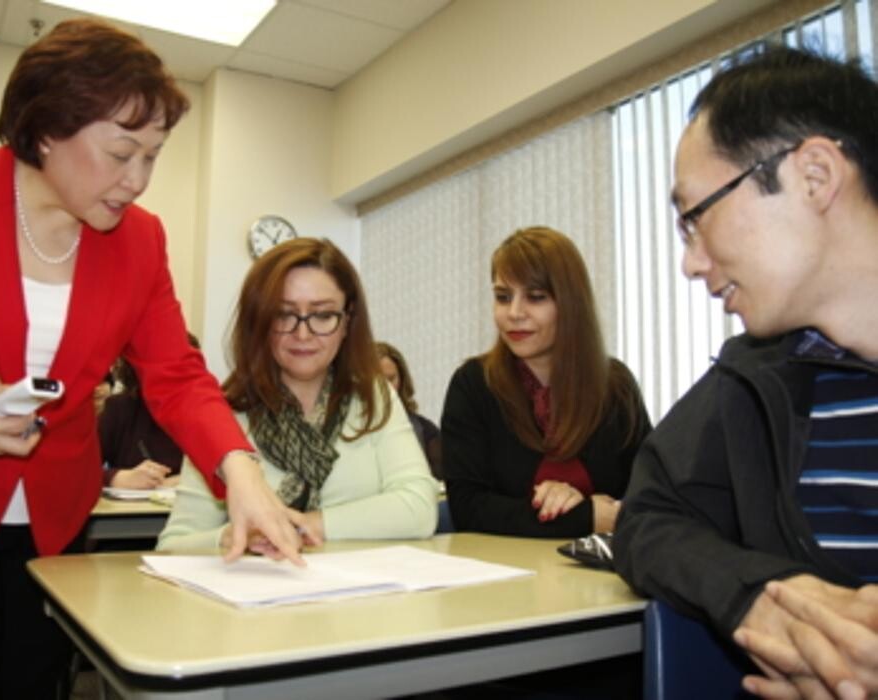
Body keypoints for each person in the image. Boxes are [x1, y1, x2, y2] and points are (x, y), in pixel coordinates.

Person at [0, 19, 301, 698]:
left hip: (52, 521)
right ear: (47, 129)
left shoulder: (139, 241)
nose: (137, 180)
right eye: (121, 153)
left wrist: (241, 470)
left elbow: (175, 373)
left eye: (153, 156)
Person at [612, 46, 878, 700]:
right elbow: (646, 519)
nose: (689, 264)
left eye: (695, 217)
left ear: (813, 175)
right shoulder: (755, 376)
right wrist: (761, 596)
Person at [157, 238, 438, 551]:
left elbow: (419, 509)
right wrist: (229, 536)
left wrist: (308, 524)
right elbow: (172, 546)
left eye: (323, 315)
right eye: (283, 314)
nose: (303, 334)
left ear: (347, 321)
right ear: (259, 322)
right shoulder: (221, 415)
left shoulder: (373, 395)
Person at [441, 227, 651, 538]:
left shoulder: (615, 386)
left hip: (601, 566)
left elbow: (649, 495)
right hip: (503, 564)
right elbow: (467, 508)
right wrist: (583, 517)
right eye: (503, 297)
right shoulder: (473, 384)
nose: (514, 313)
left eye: (536, 297)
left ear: (571, 303)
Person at [99, 357, 183, 490]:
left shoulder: (203, 412)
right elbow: (76, 471)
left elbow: (217, 471)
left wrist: (186, 481)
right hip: (130, 502)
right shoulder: (118, 408)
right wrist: (115, 478)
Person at [375, 341, 443, 480]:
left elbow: (442, 484)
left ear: (402, 380)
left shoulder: (426, 430)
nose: (386, 388)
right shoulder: (344, 430)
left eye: (391, 379)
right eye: (378, 380)